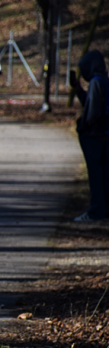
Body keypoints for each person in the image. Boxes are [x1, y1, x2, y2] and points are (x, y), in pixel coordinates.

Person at [70, 50, 109, 222]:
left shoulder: (95, 82)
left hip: (95, 135)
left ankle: (96, 211)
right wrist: (78, 89)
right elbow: (91, 102)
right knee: (104, 173)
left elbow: (92, 111)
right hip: (105, 132)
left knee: (95, 173)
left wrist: (83, 127)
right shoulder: (104, 81)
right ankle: (104, 208)